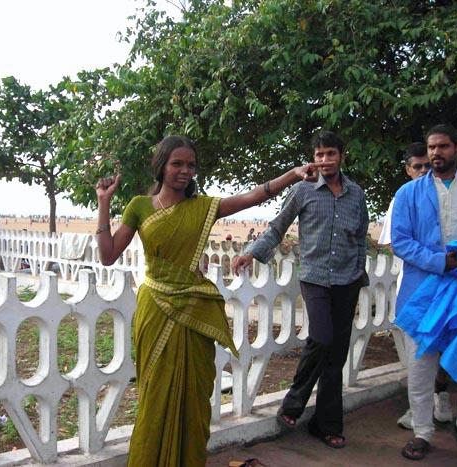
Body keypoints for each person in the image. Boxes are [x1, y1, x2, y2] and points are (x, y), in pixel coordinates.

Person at [95, 135, 329, 467]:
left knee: (193, 392)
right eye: (177, 163)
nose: (185, 171)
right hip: (156, 308)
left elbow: (253, 197)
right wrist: (104, 202)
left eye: (191, 165)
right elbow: (107, 255)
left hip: (193, 307)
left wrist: (291, 175)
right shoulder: (139, 206)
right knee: (155, 391)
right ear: (161, 165)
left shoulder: (202, 207)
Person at [233, 131, 369, 449]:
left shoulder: (356, 194)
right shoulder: (302, 190)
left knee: (336, 356)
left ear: (341, 156)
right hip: (316, 278)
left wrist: (359, 270)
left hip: (348, 279)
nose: (324, 161)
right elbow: (278, 226)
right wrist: (252, 252)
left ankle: (327, 425)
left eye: (330, 154)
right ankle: (294, 402)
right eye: (319, 155)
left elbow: (360, 235)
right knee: (321, 338)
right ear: (314, 157)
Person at [392, 124, 457, 463]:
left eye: (443, 146)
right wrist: (439, 261)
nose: (436, 153)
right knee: (421, 366)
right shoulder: (408, 194)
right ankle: (422, 432)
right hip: (425, 290)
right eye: (432, 147)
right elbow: (402, 241)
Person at [379, 143, 453, 429]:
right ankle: (418, 411)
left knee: (445, 346)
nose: (423, 170)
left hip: (448, 285)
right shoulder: (403, 199)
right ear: (408, 169)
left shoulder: (452, 196)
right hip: (415, 287)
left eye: (427, 165)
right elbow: (394, 244)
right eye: (417, 166)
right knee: (418, 352)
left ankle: (442, 396)